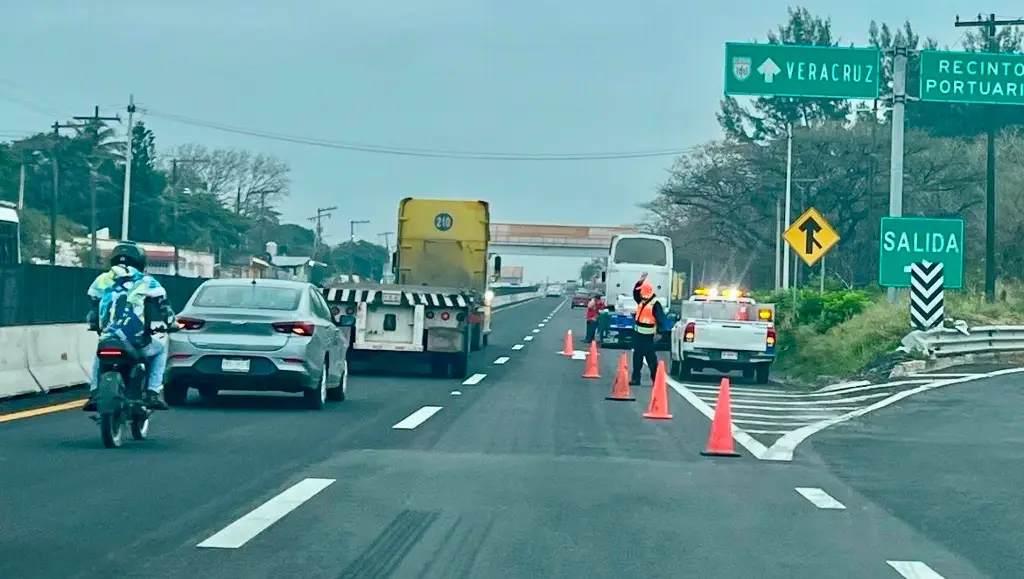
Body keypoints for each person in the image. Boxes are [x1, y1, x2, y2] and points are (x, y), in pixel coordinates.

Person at [82, 242, 175, 412]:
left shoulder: (102, 280)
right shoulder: (146, 281)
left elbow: (93, 304)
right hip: (137, 341)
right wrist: (172, 324)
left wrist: (95, 323)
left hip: (109, 338)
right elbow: (164, 307)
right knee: (160, 351)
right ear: (140, 261)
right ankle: (152, 392)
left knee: (99, 355)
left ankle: (94, 393)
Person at [630, 272, 671, 386]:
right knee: (637, 357)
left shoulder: (655, 304)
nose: (642, 297)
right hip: (638, 334)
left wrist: (660, 332)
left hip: (648, 336)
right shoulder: (641, 301)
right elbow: (635, 293)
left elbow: (661, 319)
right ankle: (635, 379)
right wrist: (640, 281)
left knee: (651, 358)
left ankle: (656, 380)